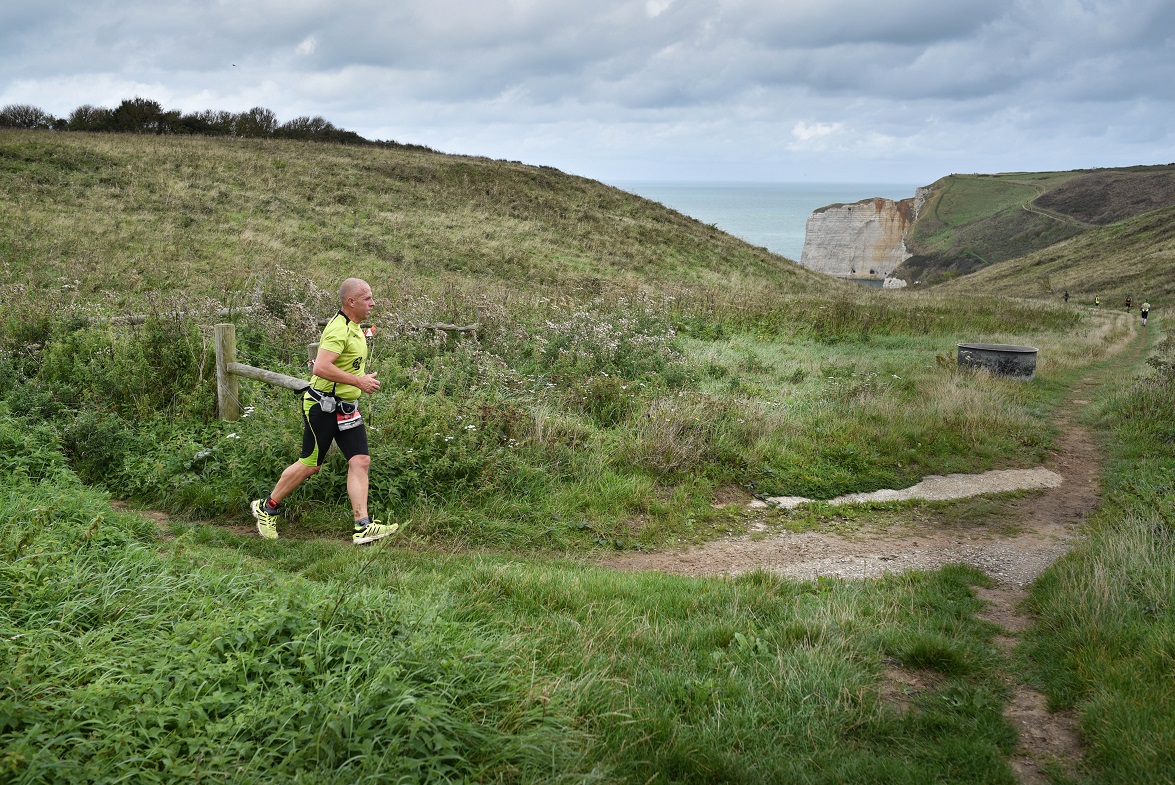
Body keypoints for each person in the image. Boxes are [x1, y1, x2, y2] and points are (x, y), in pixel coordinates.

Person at [251, 278, 398, 545]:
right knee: (311, 465)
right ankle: (267, 506)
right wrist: (359, 381)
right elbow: (320, 368)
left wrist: (358, 378)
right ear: (351, 301)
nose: (373, 303)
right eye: (367, 298)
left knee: (360, 460)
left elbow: (343, 363)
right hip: (323, 406)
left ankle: (362, 526)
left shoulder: (354, 326)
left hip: (346, 407)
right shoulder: (337, 330)